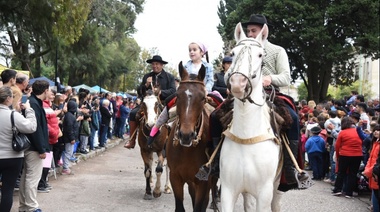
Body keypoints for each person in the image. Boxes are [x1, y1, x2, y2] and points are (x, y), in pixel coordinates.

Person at [213, 14, 307, 189]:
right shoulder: (242, 48)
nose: (250, 33)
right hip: (242, 93)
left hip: (272, 94)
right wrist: (231, 78)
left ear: (264, 32)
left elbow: (286, 77)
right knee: (213, 116)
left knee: (293, 118)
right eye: (248, 30)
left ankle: (290, 167)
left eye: (253, 30)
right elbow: (229, 73)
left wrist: (269, 78)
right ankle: (214, 163)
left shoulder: (278, 51)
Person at [146, 42, 214, 146]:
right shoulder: (186, 65)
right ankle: (155, 129)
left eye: (194, 49)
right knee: (168, 104)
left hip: (202, 93)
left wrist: (206, 89)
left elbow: (210, 80)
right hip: (187, 94)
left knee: (219, 105)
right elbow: (183, 80)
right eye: (190, 50)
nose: (191, 52)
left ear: (202, 52)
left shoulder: (208, 66)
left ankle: (216, 140)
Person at [124, 55, 176, 149]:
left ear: (161, 65)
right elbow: (139, 91)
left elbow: (173, 91)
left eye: (157, 64)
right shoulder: (147, 76)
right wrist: (146, 84)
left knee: (174, 116)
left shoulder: (169, 77)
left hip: (163, 103)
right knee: (133, 113)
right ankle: (132, 140)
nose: (154, 66)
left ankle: (172, 142)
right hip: (147, 104)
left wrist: (160, 92)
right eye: (153, 64)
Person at [0, 86, 37, 212]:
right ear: (9, 99)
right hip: (13, 157)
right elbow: (31, 127)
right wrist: (29, 110)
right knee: (7, 190)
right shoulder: (13, 115)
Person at [19, 80, 51, 212]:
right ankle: (31, 207)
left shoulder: (32, 102)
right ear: (45, 91)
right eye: (49, 90)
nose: (50, 92)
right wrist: (41, 149)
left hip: (29, 146)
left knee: (26, 177)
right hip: (34, 147)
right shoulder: (34, 105)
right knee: (32, 178)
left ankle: (24, 206)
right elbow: (36, 129)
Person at [332, 117, 363, 198]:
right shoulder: (358, 132)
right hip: (357, 154)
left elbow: (337, 145)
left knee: (341, 173)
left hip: (345, 154)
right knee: (353, 174)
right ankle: (349, 192)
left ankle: (338, 189)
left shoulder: (342, 132)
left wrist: (338, 156)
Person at [37, 88, 60, 193]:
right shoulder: (44, 106)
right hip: (49, 138)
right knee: (45, 163)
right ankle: (41, 183)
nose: (53, 95)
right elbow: (45, 124)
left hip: (51, 138)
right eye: (51, 93)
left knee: (47, 164)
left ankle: (44, 181)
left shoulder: (48, 105)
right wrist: (54, 133)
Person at [62, 99, 82, 174]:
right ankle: (65, 168)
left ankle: (66, 166)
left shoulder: (69, 115)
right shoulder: (70, 116)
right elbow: (69, 128)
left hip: (69, 137)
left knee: (69, 152)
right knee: (68, 152)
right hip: (69, 138)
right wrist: (72, 138)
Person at [363, 124, 380, 212]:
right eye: (375, 130)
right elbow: (370, 158)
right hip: (373, 172)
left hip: (376, 173)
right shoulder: (375, 142)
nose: (376, 132)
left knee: (376, 195)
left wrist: (369, 171)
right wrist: (367, 169)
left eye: (378, 130)